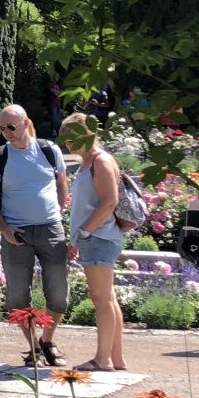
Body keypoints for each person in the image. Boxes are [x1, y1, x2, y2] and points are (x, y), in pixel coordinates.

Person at [0, 103, 72, 367]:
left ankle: (48, 340)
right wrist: (5, 229)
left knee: (58, 292)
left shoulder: (48, 149)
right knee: (18, 296)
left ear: (26, 123)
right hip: (16, 233)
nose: (7, 132)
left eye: (11, 126)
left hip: (50, 228)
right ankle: (33, 347)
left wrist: (57, 212)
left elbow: (62, 184)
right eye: (2, 128)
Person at [62, 113, 127, 372]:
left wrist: (84, 233)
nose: (67, 143)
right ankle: (116, 358)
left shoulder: (100, 161)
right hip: (97, 236)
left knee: (100, 299)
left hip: (100, 237)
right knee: (108, 298)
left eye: (71, 137)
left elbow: (109, 202)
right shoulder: (88, 162)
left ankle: (103, 359)